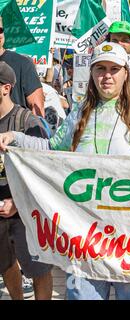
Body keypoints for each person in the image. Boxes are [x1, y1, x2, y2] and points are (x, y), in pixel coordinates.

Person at [0, 42, 130, 300]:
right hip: (84, 234)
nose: (107, 75)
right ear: (91, 73)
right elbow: (52, 149)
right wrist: (16, 137)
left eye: (114, 69)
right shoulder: (80, 111)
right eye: (100, 68)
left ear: (126, 73)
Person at [0, 61, 53, 300]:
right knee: (6, 265)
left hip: (24, 213)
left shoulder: (27, 122)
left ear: (6, 88)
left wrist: (16, 202)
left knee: (38, 269)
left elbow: (43, 171)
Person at [0, 19, 44, 116]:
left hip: (14, 129)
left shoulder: (23, 63)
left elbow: (37, 108)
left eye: (0, 30)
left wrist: (37, 129)